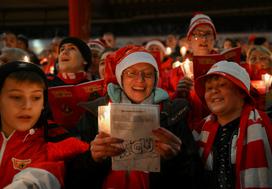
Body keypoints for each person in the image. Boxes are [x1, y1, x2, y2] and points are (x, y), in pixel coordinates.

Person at [65, 45, 203, 189]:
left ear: (156, 79)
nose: (140, 80)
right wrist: (91, 158)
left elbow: (194, 178)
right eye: (131, 73)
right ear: (120, 78)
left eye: (148, 74)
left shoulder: (172, 114)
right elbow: (72, 178)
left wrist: (176, 158)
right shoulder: (94, 113)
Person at [0, 61, 89, 188]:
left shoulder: (55, 140)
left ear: (44, 103)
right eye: (16, 97)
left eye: (36, 97)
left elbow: (40, 178)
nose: (27, 106)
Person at [194, 60, 272, 189]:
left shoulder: (265, 126)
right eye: (209, 88)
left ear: (241, 91)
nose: (214, 91)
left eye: (222, 85)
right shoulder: (200, 129)